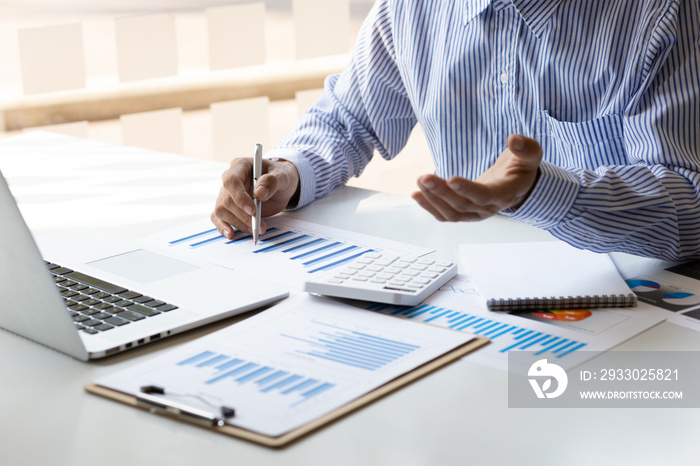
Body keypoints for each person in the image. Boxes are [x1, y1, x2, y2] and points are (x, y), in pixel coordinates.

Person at [212, 0, 700, 261]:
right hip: (464, 284)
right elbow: (349, 119)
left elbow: (692, 209)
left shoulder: (663, 11)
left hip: (639, 310)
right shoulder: (414, 8)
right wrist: (287, 172)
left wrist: (541, 193)